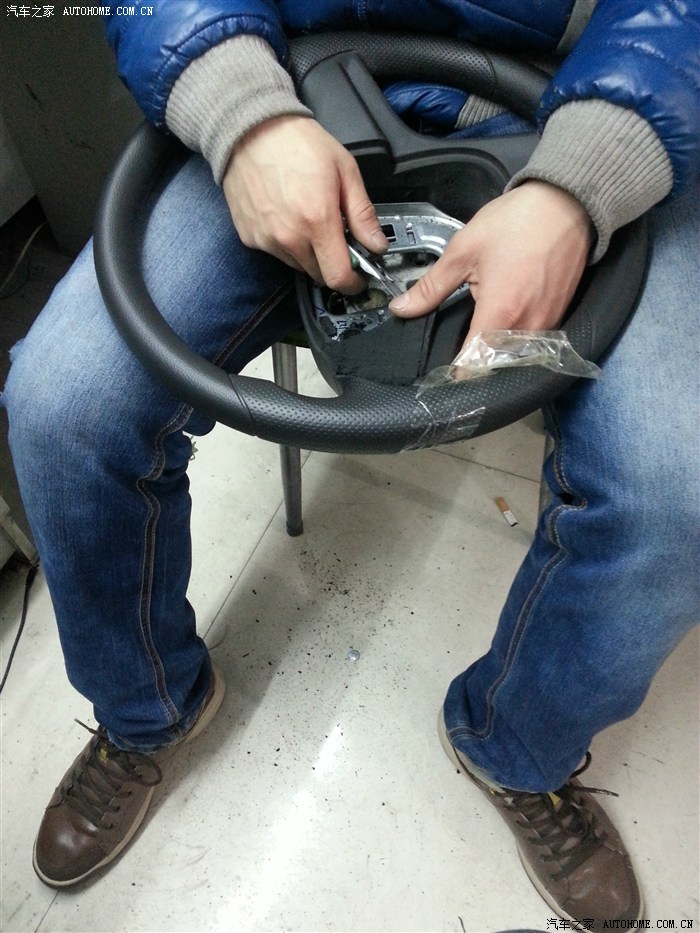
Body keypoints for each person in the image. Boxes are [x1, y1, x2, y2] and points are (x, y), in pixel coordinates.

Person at [2, 0, 698, 924]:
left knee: (677, 498)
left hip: (599, 106)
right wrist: (241, 112)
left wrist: (584, 182)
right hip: (287, 79)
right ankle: (146, 710)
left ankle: (518, 751)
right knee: (61, 404)